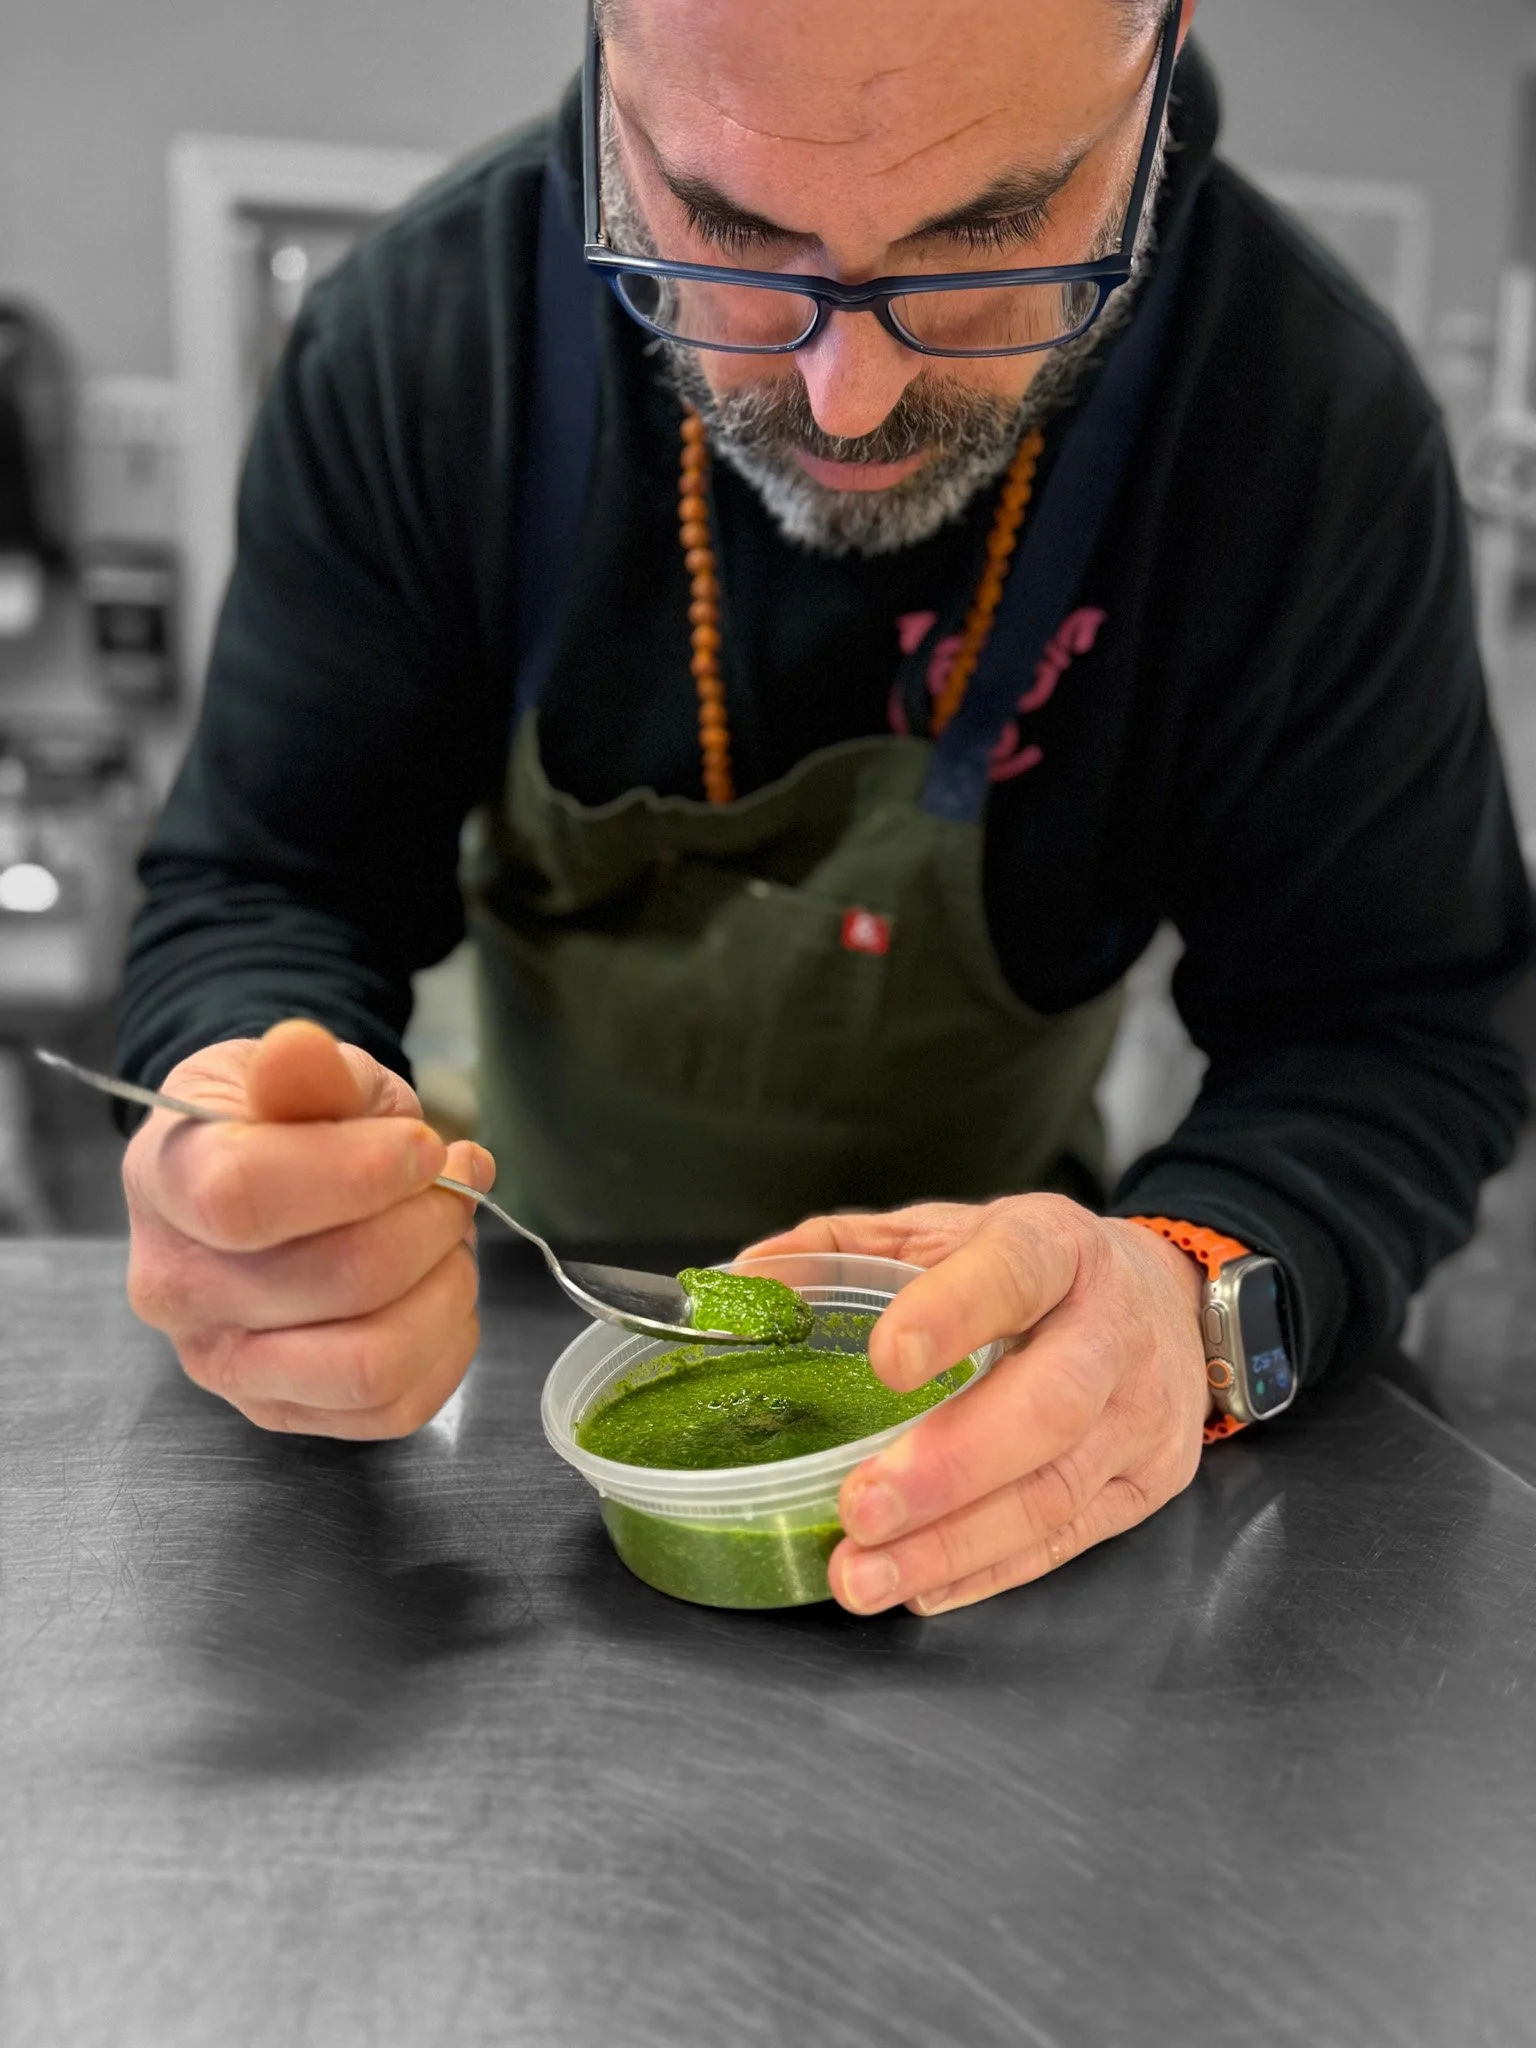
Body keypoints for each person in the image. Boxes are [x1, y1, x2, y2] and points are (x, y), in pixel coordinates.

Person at [117, 0, 1532, 1619]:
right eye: (728, 230)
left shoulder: (1306, 431)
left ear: (1159, 57)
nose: (848, 398)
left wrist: (1190, 1295)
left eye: (990, 233)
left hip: (1015, 1392)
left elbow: (1397, 1028)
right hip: (514, 1349)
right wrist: (242, 1150)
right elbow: (260, 885)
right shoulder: (429, 346)